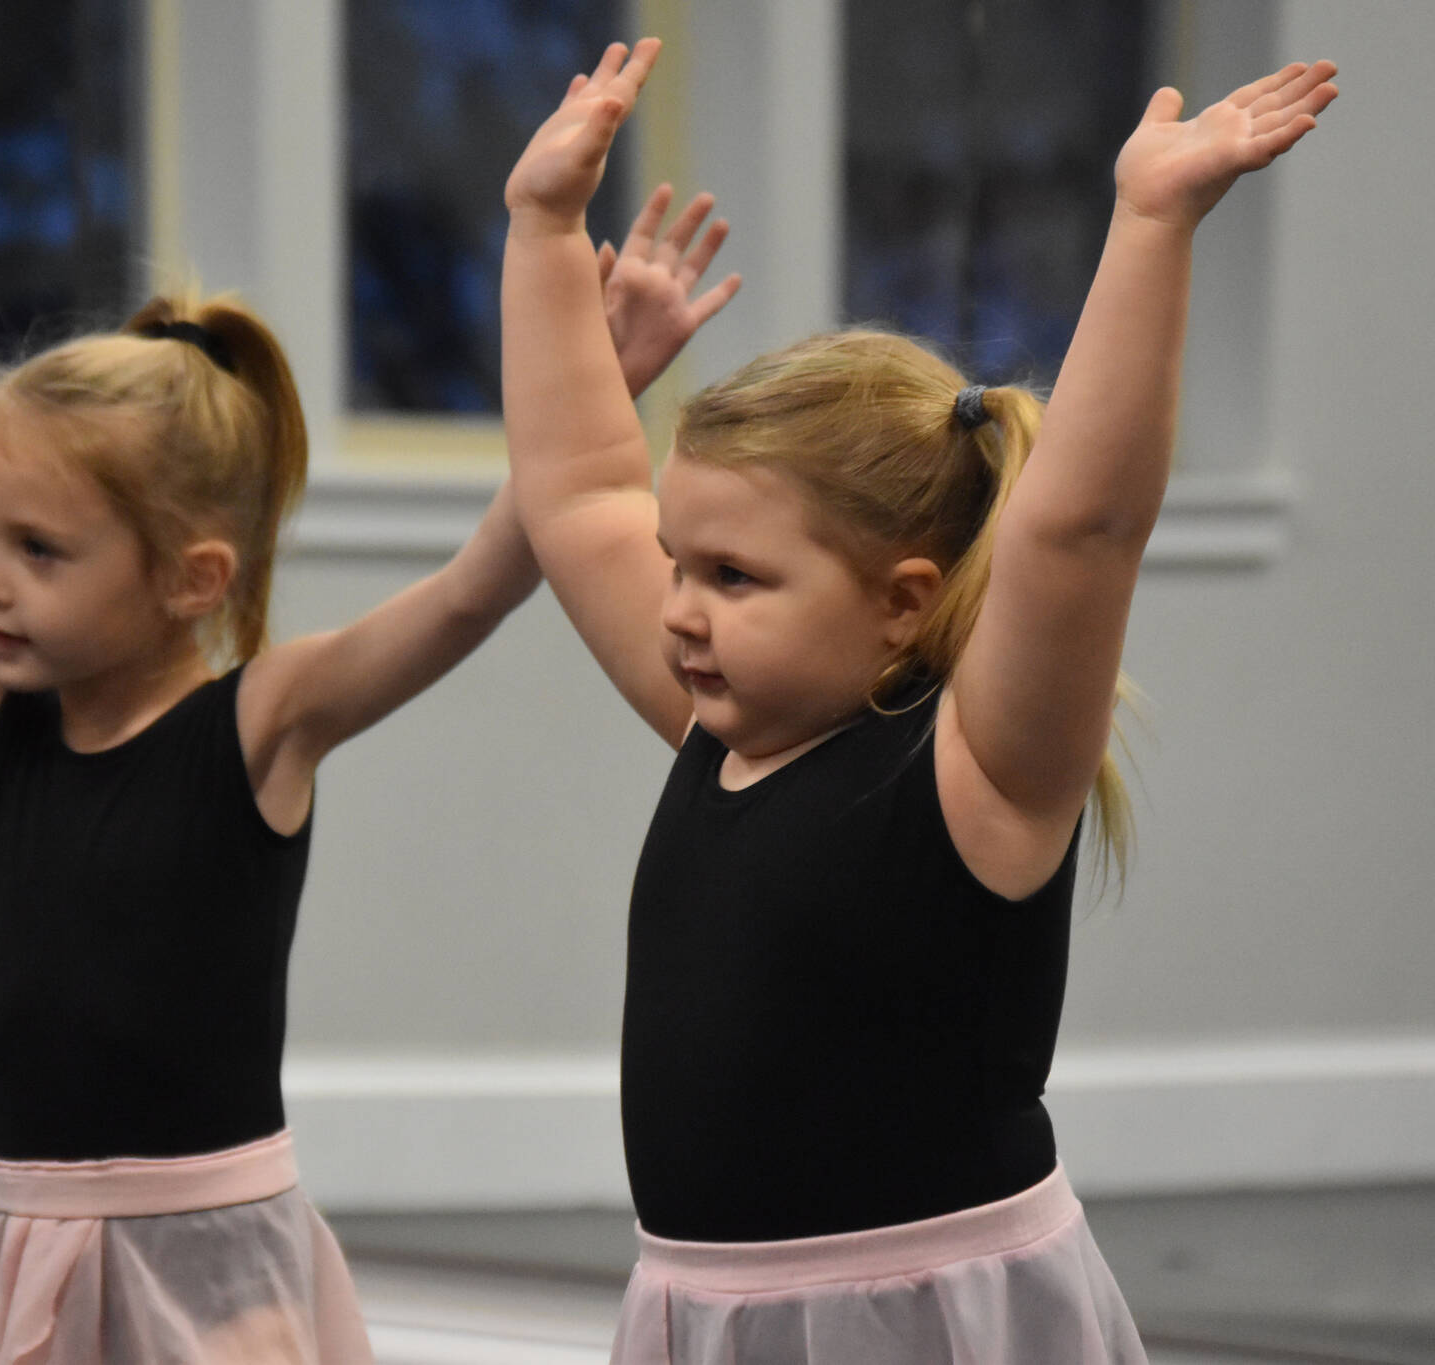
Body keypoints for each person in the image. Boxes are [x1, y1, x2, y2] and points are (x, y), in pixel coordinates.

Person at [0, 12, 737, 1361]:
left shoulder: (263, 723)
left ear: (191, 577)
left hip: (214, 1266)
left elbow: (468, 590)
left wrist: (599, 393)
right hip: (24, 1245)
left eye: (39, 549)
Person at [501, 37, 1337, 1365]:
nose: (678, 608)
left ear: (901, 598)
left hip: (931, 1314)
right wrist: (543, 227)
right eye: (677, 562)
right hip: (706, 1309)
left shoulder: (976, 775)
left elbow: (1084, 527)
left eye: (733, 574)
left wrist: (1149, 223)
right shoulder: (721, 726)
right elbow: (576, 490)